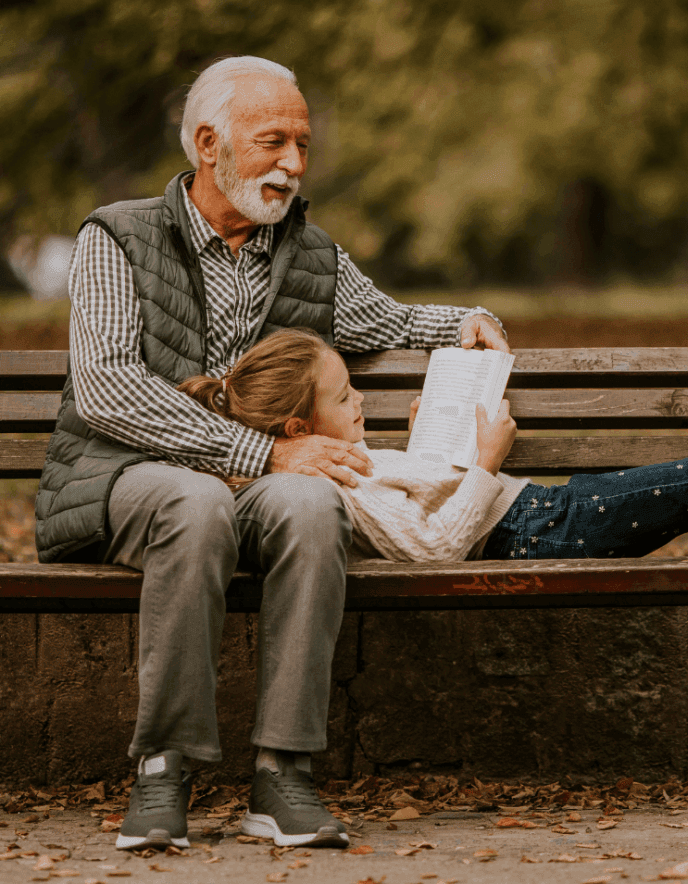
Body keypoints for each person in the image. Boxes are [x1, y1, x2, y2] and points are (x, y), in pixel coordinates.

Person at [34, 56, 509, 852]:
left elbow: (387, 321)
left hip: (254, 485)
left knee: (313, 501)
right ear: (209, 144)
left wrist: (466, 318)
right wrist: (257, 449)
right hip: (123, 478)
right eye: (273, 142)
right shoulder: (115, 237)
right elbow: (109, 389)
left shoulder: (310, 253)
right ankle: (163, 767)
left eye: (302, 144)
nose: (292, 163)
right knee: (198, 500)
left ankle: (282, 772)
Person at [181, 328, 688, 646]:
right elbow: (429, 546)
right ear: (295, 432)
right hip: (532, 530)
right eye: (344, 399)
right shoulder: (326, 491)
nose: (360, 402)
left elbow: (421, 501)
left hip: (541, 512)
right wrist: (487, 462)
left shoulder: (339, 464)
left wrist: (434, 440)